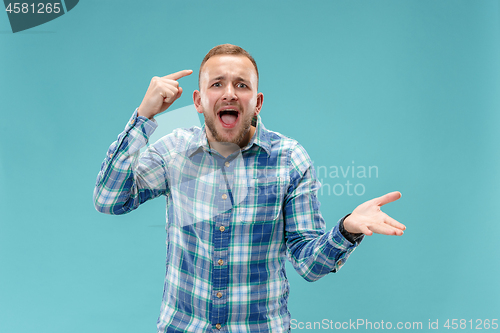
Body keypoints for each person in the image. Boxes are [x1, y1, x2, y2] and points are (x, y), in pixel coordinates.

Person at [93, 44, 406, 333]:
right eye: (217, 84)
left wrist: (347, 229)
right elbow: (110, 199)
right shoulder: (174, 150)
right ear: (199, 101)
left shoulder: (289, 159)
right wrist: (144, 117)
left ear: (257, 102)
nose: (229, 93)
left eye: (241, 85)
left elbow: (309, 265)